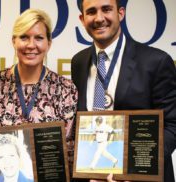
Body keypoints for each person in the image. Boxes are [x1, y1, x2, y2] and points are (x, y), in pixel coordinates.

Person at [71, 0, 176, 181]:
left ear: (120, 13)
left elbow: (172, 125)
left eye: (106, 9)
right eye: (91, 12)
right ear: (82, 19)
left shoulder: (156, 62)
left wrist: (136, 168)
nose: (99, 18)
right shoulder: (78, 62)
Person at [0, 8, 78, 180]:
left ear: (49, 43)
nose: (31, 45)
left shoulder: (65, 89)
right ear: (14, 41)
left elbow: (70, 146)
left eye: (39, 38)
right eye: (24, 37)